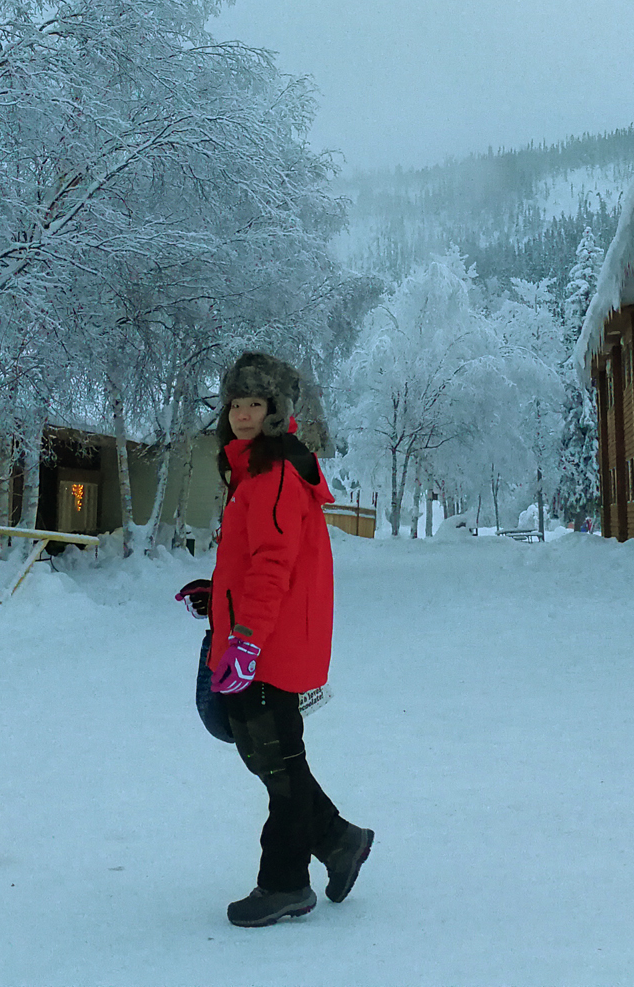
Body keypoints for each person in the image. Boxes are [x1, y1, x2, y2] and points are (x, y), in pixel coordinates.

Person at [200, 350, 373, 928]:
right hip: (260, 637)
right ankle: (339, 841)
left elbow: (274, 563)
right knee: (270, 759)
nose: (244, 413)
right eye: (237, 403)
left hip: (268, 646)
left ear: (275, 411)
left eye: (256, 403)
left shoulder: (273, 473)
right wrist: (217, 593)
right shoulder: (252, 471)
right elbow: (257, 561)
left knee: (278, 764)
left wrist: (245, 639)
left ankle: (285, 883)